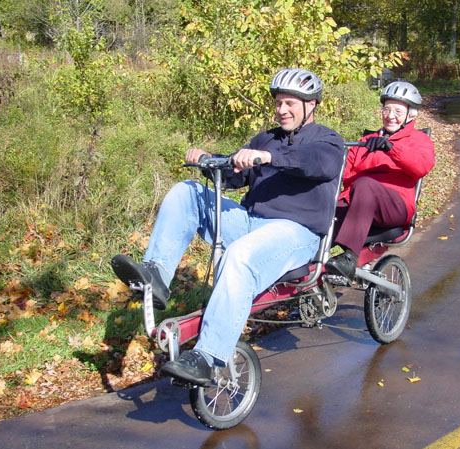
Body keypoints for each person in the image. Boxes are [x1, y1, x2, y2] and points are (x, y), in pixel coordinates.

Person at [111, 68, 344, 386]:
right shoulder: (266, 138)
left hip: (296, 232)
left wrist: (267, 157)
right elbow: (235, 176)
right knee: (187, 192)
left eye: (290, 103)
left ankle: (207, 356)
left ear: (311, 105)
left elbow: (318, 163)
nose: (281, 110)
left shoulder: (327, 141)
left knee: (240, 255)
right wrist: (210, 160)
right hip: (251, 222)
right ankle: (156, 275)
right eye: (278, 102)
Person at [325, 81, 435, 281]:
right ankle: (305, 269)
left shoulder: (419, 140)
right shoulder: (366, 141)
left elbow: (422, 166)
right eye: (387, 109)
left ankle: (350, 257)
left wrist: (391, 149)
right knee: (320, 211)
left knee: (365, 184)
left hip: (395, 206)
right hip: (358, 201)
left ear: (411, 114)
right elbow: (347, 176)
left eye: (398, 111)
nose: (391, 116)